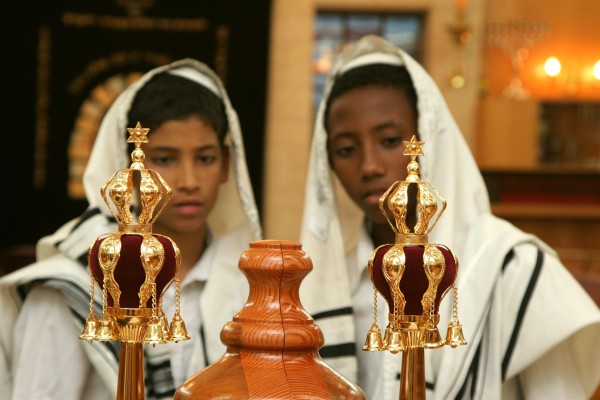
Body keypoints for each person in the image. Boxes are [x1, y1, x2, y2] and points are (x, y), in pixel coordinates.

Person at [299, 35, 600, 399]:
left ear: (431, 136)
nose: (369, 166)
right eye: (346, 149)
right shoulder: (337, 284)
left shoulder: (511, 265)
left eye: (391, 140)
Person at [0, 59, 262, 399]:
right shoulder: (75, 287)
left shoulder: (250, 285)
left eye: (205, 158)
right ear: (130, 168)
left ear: (226, 163)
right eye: (165, 159)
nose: (189, 181)